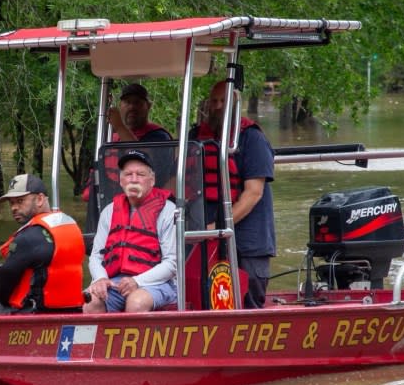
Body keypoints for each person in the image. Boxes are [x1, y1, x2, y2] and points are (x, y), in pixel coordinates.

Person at [189, 80, 276, 307]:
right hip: (205, 234)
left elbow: (253, 193)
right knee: (202, 295)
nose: (218, 107)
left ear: (236, 106)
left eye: (224, 101)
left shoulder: (252, 138)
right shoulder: (196, 137)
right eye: (214, 101)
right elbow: (179, 180)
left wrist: (217, 228)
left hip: (248, 239)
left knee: (248, 298)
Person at [0, 174, 85, 314]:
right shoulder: (70, 225)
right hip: (74, 309)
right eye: (11, 203)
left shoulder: (27, 237)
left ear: (40, 199)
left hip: (36, 312)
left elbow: (2, 288)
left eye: (20, 201)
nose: (14, 208)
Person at [84, 150, 177, 313]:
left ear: (152, 180)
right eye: (128, 174)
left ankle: (137, 339)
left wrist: (137, 281)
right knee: (90, 301)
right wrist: (100, 279)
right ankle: (98, 340)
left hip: (158, 283)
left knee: (136, 302)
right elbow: (96, 256)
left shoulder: (168, 211)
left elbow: (172, 264)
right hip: (115, 281)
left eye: (140, 174)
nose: (134, 179)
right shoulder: (110, 211)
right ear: (121, 181)